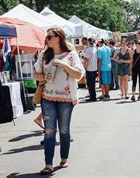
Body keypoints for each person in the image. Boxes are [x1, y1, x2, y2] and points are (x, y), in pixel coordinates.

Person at [33, 28, 84, 175]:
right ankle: (48, 164)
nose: (47, 39)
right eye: (46, 36)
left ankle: (64, 158)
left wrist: (64, 65)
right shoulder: (44, 54)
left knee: (64, 129)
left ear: (59, 38)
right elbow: (35, 73)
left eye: (50, 36)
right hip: (47, 98)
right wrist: (42, 77)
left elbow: (79, 75)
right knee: (49, 131)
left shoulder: (71, 54)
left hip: (66, 99)